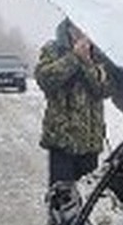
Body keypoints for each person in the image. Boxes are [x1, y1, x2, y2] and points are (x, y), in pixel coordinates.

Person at [35, 19, 111, 186]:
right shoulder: (53, 50)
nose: (82, 32)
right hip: (62, 139)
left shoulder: (99, 54)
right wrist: (74, 57)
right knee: (62, 197)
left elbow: (104, 90)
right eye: (77, 27)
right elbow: (45, 80)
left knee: (87, 198)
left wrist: (88, 63)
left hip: (90, 140)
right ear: (69, 28)